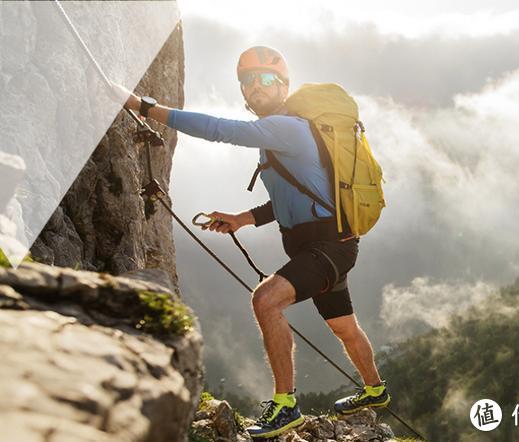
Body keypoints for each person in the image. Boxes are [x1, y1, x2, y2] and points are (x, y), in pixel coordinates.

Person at [118, 45, 390, 439]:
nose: (255, 87)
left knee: (266, 300)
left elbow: (220, 130)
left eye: (265, 79)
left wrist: (144, 107)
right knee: (344, 326)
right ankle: (375, 391)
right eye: (248, 80)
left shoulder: (288, 128)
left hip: (327, 248)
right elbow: (292, 196)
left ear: (283, 86)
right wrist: (243, 219)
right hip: (324, 245)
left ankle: (285, 406)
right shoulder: (281, 134)